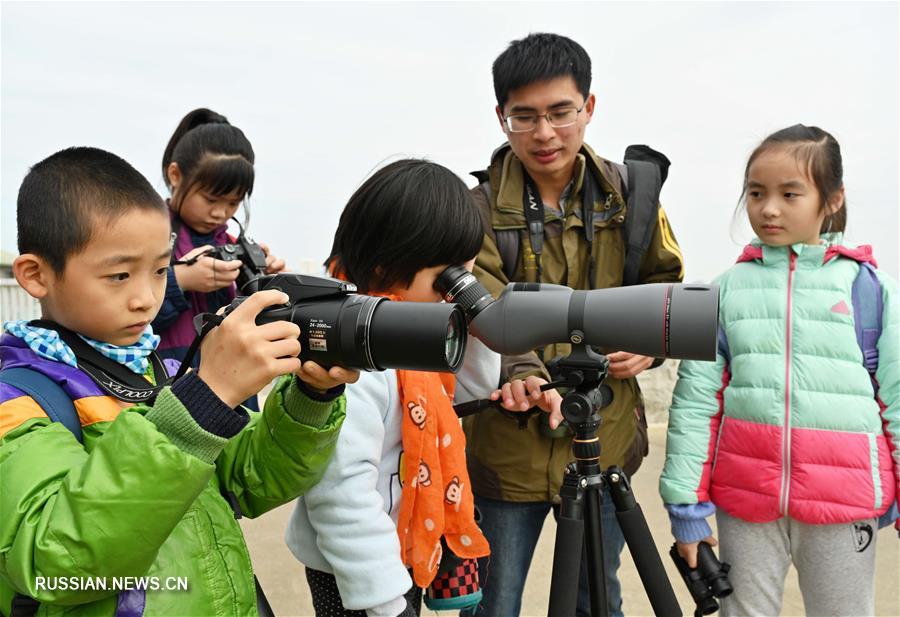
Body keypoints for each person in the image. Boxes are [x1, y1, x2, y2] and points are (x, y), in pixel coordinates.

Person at [0, 147, 356, 616]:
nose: (146, 297)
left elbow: (250, 480)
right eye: (119, 275)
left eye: (161, 270)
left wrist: (311, 397)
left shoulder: (161, 371)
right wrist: (201, 404)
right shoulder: (20, 399)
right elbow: (55, 561)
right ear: (36, 275)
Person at [463, 33, 685, 617]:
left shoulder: (634, 195)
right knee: (494, 600)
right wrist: (522, 371)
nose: (544, 133)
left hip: (604, 433)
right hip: (505, 444)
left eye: (561, 112)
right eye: (525, 116)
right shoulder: (476, 209)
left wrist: (650, 346)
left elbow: (667, 293)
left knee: (597, 597)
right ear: (501, 118)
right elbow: (480, 301)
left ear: (589, 107)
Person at [284, 159, 561, 617]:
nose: (457, 289)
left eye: (467, 274)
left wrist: (476, 322)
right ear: (388, 267)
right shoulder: (351, 359)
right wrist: (386, 602)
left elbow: (470, 390)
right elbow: (341, 493)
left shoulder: (412, 331)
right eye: (446, 278)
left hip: (405, 544)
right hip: (353, 566)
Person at [660, 124, 899, 616]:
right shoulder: (723, 291)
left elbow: (895, 395)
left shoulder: (869, 289)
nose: (769, 209)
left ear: (831, 199)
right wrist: (685, 507)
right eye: (756, 193)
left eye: (790, 194)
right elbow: (697, 400)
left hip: (844, 500)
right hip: (745, 500)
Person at [152, 108, 286, 409]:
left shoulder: (233, 245)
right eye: (211, 199)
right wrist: (181, 279)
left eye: (233, 202)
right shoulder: (145, 236)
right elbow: (121, 315)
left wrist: (266, 283)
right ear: (175, 175)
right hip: (167, 377)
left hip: (236, 382)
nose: (220, 213)